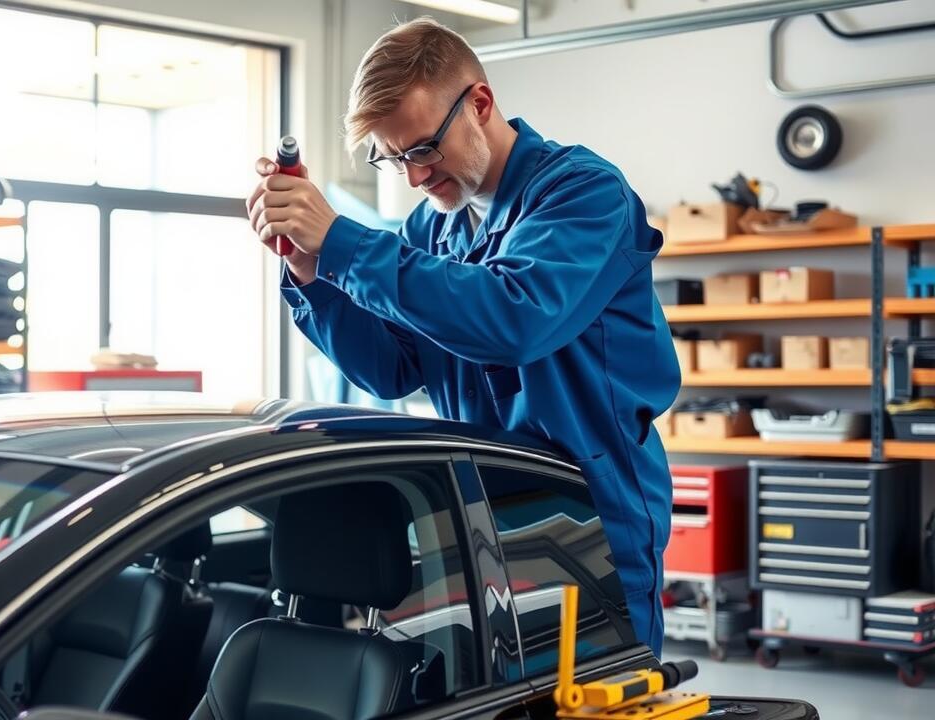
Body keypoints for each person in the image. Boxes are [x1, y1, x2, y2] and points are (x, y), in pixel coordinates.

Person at [245, 17, 679, 654]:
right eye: (394, 159)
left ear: (479, 103)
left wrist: (343, 242)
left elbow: (513, 319)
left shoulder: (583, 193)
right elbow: (393, 367)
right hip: (481, 520)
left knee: (595, 694)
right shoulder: (432, 228)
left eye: (422, 149)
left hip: (591, 516)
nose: (415, 179)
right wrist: (313, 271)